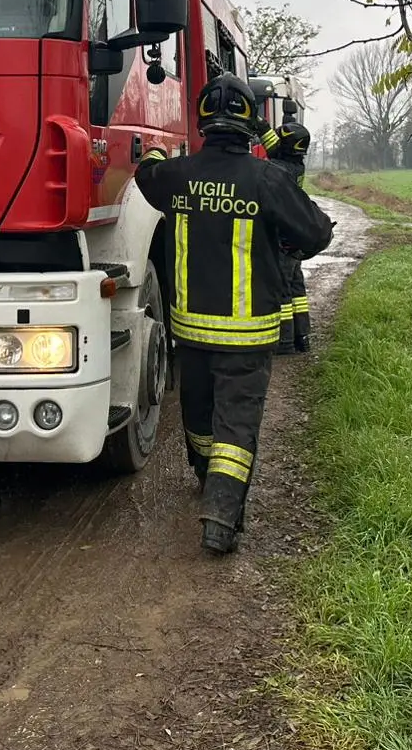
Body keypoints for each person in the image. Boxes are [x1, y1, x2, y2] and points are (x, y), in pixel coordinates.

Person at [134, 74, 335, 556]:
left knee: (200, 419)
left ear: (203, 121)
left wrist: (156, 152)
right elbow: (316, 233)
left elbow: (147, 173)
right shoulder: (267, 180)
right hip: (248, 337)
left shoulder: (177, 176)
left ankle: (207, 477)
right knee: (236, 426)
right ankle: (221, 519)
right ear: (250, 124)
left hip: (191, 335)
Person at [265, 120, 315, 353]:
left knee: (282, 287)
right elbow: (274, 151)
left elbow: (265, 164)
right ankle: (301, 336)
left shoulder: (279, 169)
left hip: (282, 240)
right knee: (296, 288)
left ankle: (284, 341)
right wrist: (262, 127)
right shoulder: (295, 166)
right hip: (294, 238)